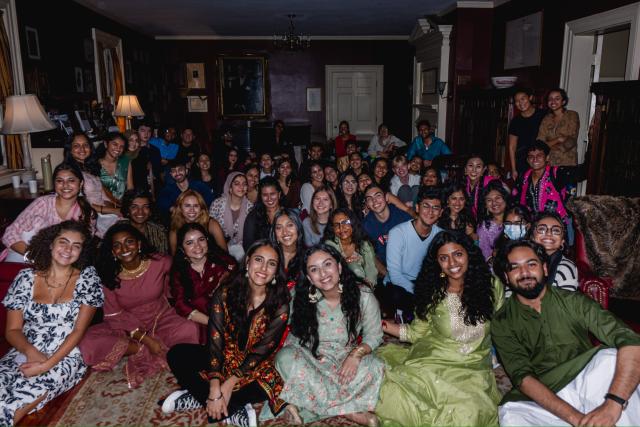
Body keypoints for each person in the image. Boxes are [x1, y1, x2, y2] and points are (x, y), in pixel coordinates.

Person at [492, 239, 640, 427]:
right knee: (511, 416)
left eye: (531, 264)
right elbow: (523, 378)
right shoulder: (502, 321)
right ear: (506, 277)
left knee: (610, 358)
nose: (524, 273)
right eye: (515, 267)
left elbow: (630, 340)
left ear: (544, 269)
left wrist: (613, 404)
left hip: (588, 380)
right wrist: (577, 420)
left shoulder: (574, 302)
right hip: (547, 395)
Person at [376, 231, 504, 426]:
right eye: (444, 258)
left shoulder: (492, 287)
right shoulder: (433, 293)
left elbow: (504, 328)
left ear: (469, 254)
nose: (452, 263)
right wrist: (378, 324)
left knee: (468, 413)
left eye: (458, 254)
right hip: (435, 360)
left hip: (474, 369)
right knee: (399, 398)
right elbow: (415, 333)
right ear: (438, 264)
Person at [163, 240, 290, 426]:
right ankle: (227, 406)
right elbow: (215, 341)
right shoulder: (224, 293)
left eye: (271, 263)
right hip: (223, 357)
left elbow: (262, 352)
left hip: (256, 367)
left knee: (274, 382)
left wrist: (229, 384)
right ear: (247, 262)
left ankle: (206, 400)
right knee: (177, 354)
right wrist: (215, 385)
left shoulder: (280, 304)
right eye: (258, 260)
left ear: (276, 271)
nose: (263, 268)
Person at [0, 221, 103, 426]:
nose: (68, 249)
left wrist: (46, 364)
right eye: (63, 242)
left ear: (82, 251)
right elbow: (12, 330)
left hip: (66, 354)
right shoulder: (25, 278)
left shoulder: (88, 279)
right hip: (26, 347)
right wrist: (30, 351)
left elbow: (78, 331)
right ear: (50, 244)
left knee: (17, 400)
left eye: (76, 245)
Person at [79, 223, 199, 388]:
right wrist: (146, 340)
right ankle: (137, 349)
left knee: (190, 329)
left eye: (129, 242)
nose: (124, 248)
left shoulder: (161, 262)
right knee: (86, 342)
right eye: (117, 245)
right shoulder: (108, 275)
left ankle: (154, 346)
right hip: (125, 326)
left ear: (139, 244)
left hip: (161, 317)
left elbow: (184, 278)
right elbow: (115, 315)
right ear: (113, 252)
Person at [275, 244, 384, 425]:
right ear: (309, 277)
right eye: (314, 270)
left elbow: (374, 336)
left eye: (327, 265)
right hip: (312, 358)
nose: (323, 273)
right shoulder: (300, 296)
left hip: (344, 359)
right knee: (284, 358)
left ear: (339, 267)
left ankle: (309, 401)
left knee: (375, 365)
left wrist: (355, 356)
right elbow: (289, 332)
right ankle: (350, 412)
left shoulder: (363, 296)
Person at [2, 162, 96, 262]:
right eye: (60, 181)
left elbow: (82, 248)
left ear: (80, 183)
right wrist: (33, 256)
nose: (65, 185)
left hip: (63, 262)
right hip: (25, 256)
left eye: (71, 180)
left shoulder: (86, 213)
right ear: (54, 184)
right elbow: (10, 234)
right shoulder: (43, 203)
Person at [171, 223, 236, 342]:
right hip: (198, 320)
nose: (197, 246)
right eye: (189, 243)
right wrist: (211, 322)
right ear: (182, 248)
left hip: (227, 317)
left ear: (207, 241)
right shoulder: (179, 271)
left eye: (201, 240)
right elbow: (180, 304)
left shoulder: (225, 263)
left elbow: (239, 292)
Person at [385, 186, 444, 319]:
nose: (430, 212)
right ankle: (403, 314)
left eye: (436, 208)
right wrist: (420, 292)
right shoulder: (398, 233)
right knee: (396, 294)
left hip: (424, 282)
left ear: (441, 212)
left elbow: (440, 270)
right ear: (417, 208)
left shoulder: (440, 235)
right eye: (426, 206)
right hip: (399, 283)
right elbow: (395, 275)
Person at [513, 140, 586, 227]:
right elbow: (516, 203)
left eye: (539, 155)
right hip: (532, 228)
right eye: (531, 156)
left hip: (558, 226)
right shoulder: (523, 177)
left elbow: (583, 172)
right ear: (528, 160)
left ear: (547, 157)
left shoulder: (556, 174)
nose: (535, 159)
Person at [362, 183, 412, 270]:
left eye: (378, 196)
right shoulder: (367, 225)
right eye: (369, 199)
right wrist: (387, 275)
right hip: (388, 270)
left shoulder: (403, 217)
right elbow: (371, 256)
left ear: (386, 198)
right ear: (367, 204)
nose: (374, 201)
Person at [324, 208, 378, 286]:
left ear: (353, 223)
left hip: (364, 288)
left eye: (345, 222)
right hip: (338, 287)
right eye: (336, 225)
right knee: (353, 265)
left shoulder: (364, 245)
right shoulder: (329, 245)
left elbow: (371, 272)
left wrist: (367, 286)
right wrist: (345, 262)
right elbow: (329, 271)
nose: (341, 228)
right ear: (333, 229)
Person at [529, 212, 578, 291]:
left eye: (556, 230)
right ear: (532, 237)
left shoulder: (565, 267)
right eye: (542, 229)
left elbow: (566, 302)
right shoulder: (522, 262)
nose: (549, 233)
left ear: (562, 241)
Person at [169, 190, 228, 255]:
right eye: (187, 206)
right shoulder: (175, 228)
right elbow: (175, 258)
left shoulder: (212, 224)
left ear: (201, 208)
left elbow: (225, 253)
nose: (192, 210)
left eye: (196, 206)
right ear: (180, 208)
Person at [209, 172, 252, 261]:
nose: (241, 187)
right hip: (217, 246)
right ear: (230, 188)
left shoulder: (251, 208)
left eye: (244, 184)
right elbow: (209, 227)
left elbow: (250, 235)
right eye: (237, 184)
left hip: (240, 248)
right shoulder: (217, 204)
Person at [508, 88, 546, 179]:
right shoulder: (515, 121)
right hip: (523, 161)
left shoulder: (543, 115)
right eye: (517, 101)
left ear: (530, 98)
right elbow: (512, 147)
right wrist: (514, 169)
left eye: (523, 99)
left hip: (541, 160)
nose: (520, 103)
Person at [537, 88, 580, 167]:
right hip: (548, 163)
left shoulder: (572, 115)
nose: (553, 101)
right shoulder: (546, 118)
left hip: (567, 163)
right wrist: (558, 139)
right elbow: (540, 143)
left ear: (563, 101)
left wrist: (548, 146)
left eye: (557, 98)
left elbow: (570, 140)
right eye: (550, 99)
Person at [119, 189, 169, 254]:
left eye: (145, 207)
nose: (140, 212)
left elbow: (163, 260)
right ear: (128, 211)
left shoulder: (159, 232)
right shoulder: (118, 230)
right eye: (134, 207)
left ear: (150, 211)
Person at [243, 177, 282, 251]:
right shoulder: (254, 216)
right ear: (260, 196)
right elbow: (248, 246)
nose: (269, 198)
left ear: (279, 194)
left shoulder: (288, 215)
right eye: (265, 195)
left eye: (272, 194)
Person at [270, 209, 305, 288]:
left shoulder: (307, 258)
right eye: (279, 228)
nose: (285, 232)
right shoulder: (269, 256)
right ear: (274, 234)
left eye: (290, 225)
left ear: (298, 228)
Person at [477, 180, 510, 261]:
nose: (494, 203)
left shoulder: (516, 219)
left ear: (505, 199)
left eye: (497, 198)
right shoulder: (484, 227)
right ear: (485, 205)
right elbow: (485, 256)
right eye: (489, 200)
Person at [98, 132, 134, 204]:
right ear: (106, 144)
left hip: (123, 204)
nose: (118, 148)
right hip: (102, 206)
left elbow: (130, 187)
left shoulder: (125, 161)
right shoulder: (95, 164)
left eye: (121, 146)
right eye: (115, 144)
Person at [463, 154, 498, 219]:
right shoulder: (461, 184)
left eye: (478, 166)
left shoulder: (490, 182)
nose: (474, 170)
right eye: (470, 165)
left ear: (483, 170)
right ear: (465, 169)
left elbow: (508, 192)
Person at [136, 122, 162, 191]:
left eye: (149, 131)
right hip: (139, 186)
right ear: (137, 132)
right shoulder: (134, 150)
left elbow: (158, 170)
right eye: (143, 130)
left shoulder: (155, 150)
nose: (146, 134)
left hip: (155, 185)